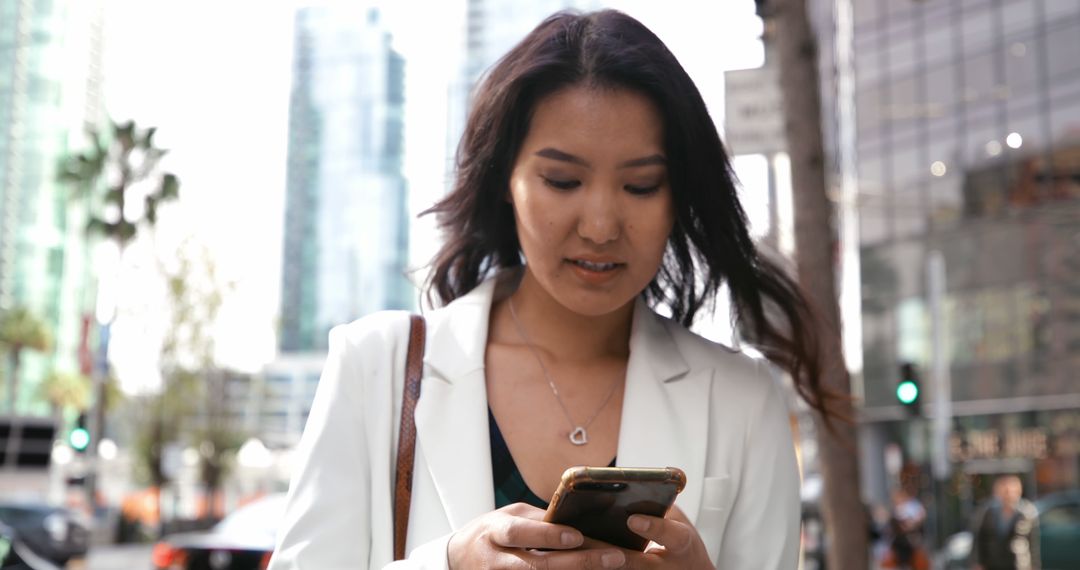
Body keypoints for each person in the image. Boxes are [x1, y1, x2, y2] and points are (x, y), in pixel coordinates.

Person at [269, 9, 841, 569]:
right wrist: (447, 565)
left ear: (679, 197)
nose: (599, 226)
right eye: (562, 180)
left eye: (641, 186)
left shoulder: (743, 399)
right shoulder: (377, 368)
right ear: (504, 179)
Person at [970, 475, 1040, 570]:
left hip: (1017, 563)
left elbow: (1032, 543)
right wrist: (978, 563)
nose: (1008, 494)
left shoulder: (1026, 513)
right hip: (993, 563)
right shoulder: (988, 513)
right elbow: (979, 539)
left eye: (1011, 491)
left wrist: (1034, 566)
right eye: (1005, 491)